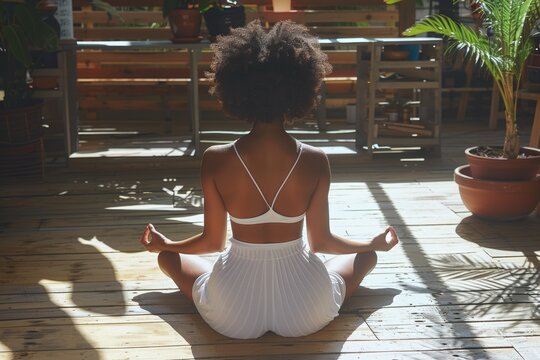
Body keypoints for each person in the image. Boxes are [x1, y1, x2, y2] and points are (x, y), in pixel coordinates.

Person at [140, 20, 399, 339]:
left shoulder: (215, 158)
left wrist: (166, 245)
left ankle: (173, 256)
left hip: (233, 317)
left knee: (169, 258)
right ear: (301, 87)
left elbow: (212, 243)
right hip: (305, 312)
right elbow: (322, 243)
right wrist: (372, 244)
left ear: (234, 88)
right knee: (366, 256)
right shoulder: (316, 159)